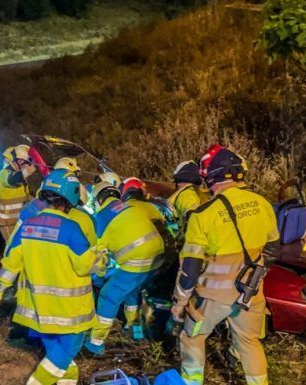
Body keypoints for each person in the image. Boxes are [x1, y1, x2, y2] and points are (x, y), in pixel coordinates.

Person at [168, 147, 278, 385]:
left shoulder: (203, 214)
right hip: (252, 292)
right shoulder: (263, 203)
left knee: (192, 336)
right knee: (249, 342)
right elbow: (273, 249)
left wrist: (179, 304)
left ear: (212, 177)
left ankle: (191, 381)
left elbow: (190, 269)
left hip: (212, 298)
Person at [0, 169, 106, 385]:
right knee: (68, 349)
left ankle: (66, 382)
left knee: (55, 351)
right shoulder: (72, 229)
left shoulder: (28, 226)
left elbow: (10, 264)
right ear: (71, 197)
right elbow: (85, 266)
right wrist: (102, 259)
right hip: (69, 311)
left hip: (37, 309)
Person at [83, 179, 165, 355]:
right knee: (132, 291)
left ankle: (96, 343)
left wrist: (98, 276)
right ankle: (135, 331)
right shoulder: (130, 207)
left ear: (98, 199)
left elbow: (97, 257)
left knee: (108, 296)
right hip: (157, 258)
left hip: (137, 261)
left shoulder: (101, 218)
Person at [0, 145, 34, 241]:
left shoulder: (19, 174)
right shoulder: (4, 173)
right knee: (13, 249)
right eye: (26, 163)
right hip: (7, 222)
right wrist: (29, 169)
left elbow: (23, 196)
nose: (27, 166)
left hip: (19, 220)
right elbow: (13, 181)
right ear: (19, 161)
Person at [168, 161, 203, 225]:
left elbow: (194, 221)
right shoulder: (199, 193)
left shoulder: (185, 195)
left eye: (176, 181)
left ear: (179, 181)